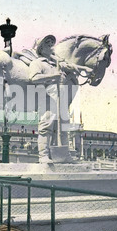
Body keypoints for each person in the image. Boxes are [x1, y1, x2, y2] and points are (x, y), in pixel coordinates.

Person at [28, 35, 92, 163]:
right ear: (41, 48)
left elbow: (72, 66)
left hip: (60, 100)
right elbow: (33, 78)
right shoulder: (37, 63)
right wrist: (54, 76)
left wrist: (84, 69)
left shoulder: (56, 63)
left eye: (52, 43)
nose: (52, 46)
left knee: (63, 128)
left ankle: (65, 156)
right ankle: (43, 156)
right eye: (48, 44)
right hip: (47, 98)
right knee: (46, 127)